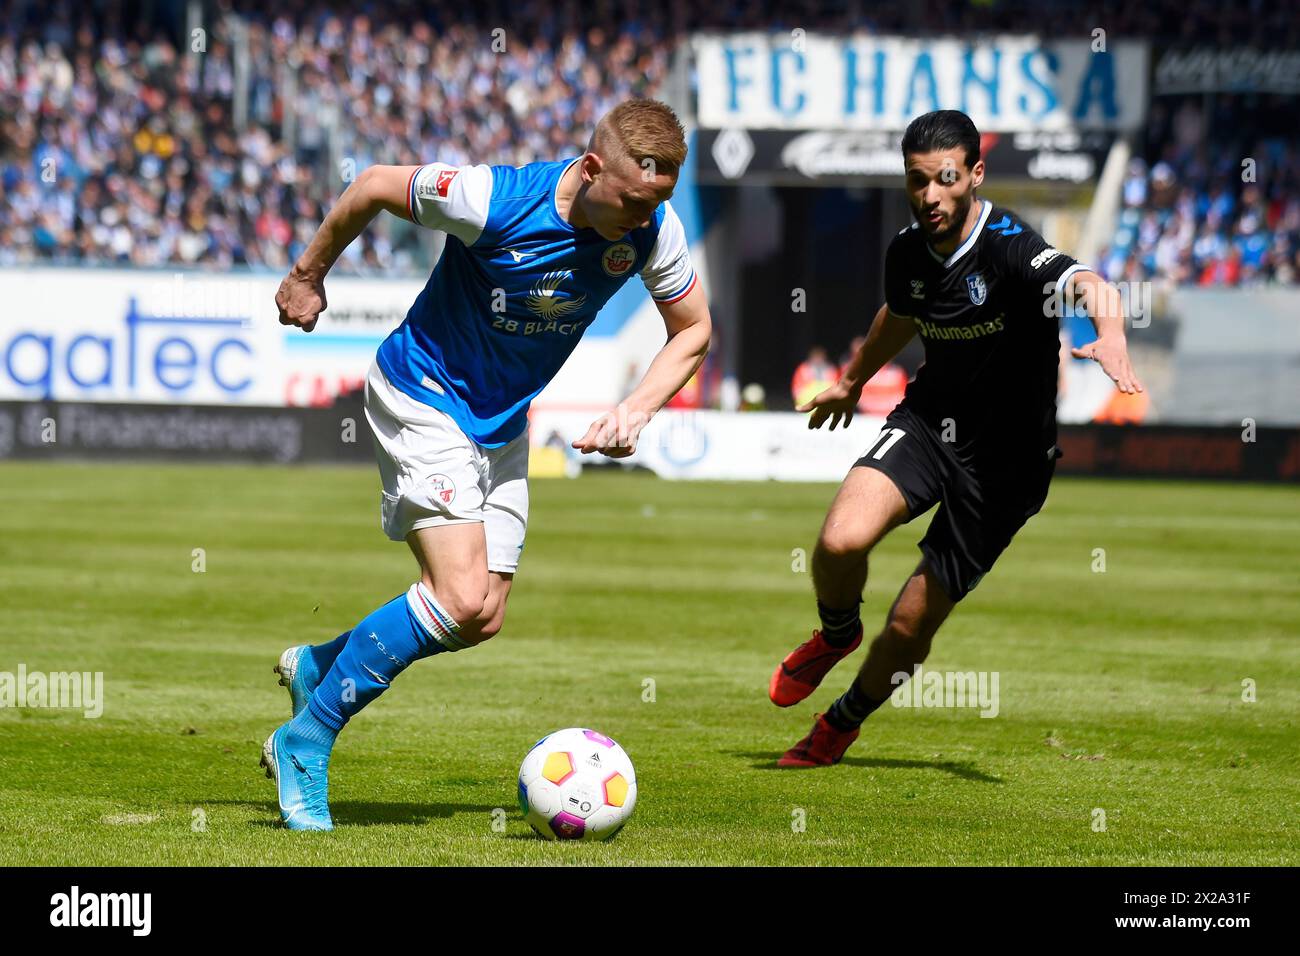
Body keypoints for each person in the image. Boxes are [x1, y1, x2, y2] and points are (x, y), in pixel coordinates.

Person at [265, 99, 710, 828]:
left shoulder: (653, 228)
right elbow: (375, 181)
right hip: (423, 393)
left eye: (656, 202)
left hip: (501, 424)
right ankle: (305, 741)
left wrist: (637, 408)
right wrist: (308, 274)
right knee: (461, 594)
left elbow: (693, 331)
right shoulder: (492, 199)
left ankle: (321, 667)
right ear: (593, 168)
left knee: (481, 617)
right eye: (632, 200)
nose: (641, 218)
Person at [769, 109, 1142, 767]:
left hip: (1006, 468)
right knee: (837, 541)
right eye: (917, 181)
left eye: (944, 179)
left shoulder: (1008, 246)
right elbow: (901, 315)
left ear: (974, 174)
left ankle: (841, 722)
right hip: (928, 425)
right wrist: (853, 380)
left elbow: (1088, 283)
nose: (930, 196)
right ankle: (836, 633)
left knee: (912, 624)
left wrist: (1109, 333)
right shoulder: (908, 251)